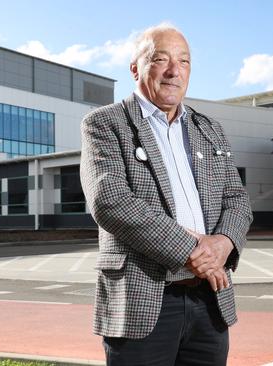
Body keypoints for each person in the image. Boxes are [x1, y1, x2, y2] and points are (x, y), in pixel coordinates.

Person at [80, 22, 252, 366]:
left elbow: (237, 199)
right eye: (161, 59)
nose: (174, 71)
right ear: (136, 68)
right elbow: (111, 201)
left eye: (184, 61)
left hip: (208, 298)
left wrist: (222, 244)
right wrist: (193, 251)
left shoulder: (209, 129)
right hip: (144, 301)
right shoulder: (105, 123)